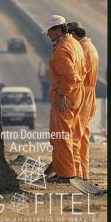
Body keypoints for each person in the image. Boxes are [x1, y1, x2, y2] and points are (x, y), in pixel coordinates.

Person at [44, 15, 87, 183]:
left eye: (50, 31)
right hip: (76, 94)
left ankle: (67, 173)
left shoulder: (62, 49)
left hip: (66, 96)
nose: (48, 35)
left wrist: (62, 94)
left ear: (59, 30)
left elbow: (69, 75)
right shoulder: (75, 44)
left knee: (61, 135)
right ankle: (66, 170)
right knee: (67, 134)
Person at [67, 21, 99, 180]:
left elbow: (77, 75)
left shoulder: (83, 49)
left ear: (73, 35)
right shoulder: (90, 47)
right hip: (90, 94)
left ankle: (74, 172)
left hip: (83, 94)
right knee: (84, 136)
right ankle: (83, 173)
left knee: (74, 136)